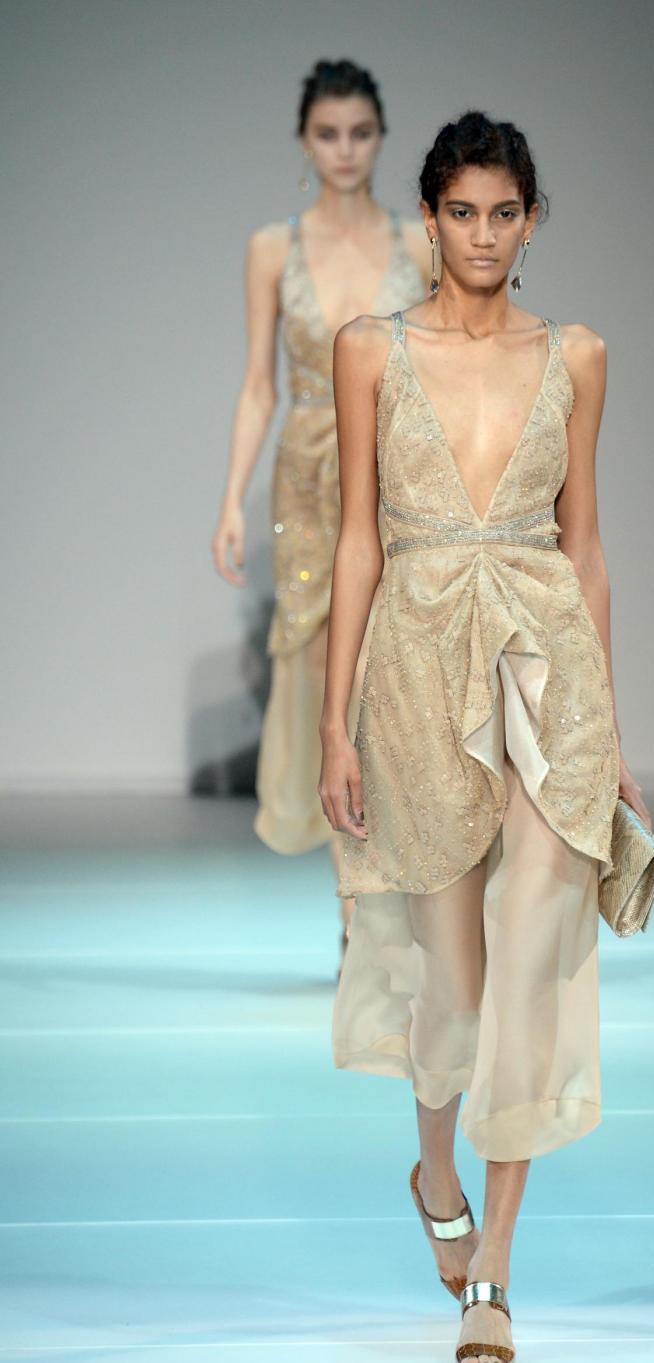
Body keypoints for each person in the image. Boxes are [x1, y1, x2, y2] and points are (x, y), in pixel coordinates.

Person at [319, 111, 651, 1363]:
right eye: (460, 211)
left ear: (531, 219)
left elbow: (587, 546)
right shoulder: (370, 349)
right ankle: (434, 1173)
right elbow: (357, 539)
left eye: (502, 212)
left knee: (529, 957)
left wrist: (611, 725)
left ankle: (496, 1270)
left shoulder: (576, 353)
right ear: (428, 218)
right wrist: (335, 720)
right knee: (451, 980)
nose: (481, 234)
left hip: (543, 660)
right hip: (414, 669)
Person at [211, 59, 429, 971]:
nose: (345, 150)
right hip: (306, 482)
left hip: (397, 477)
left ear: (381, 138)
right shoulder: (273, 247)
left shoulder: (421, 241)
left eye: (361, 133)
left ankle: (400, 898)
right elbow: (258, 383)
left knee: (398, 682)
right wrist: (232, 496)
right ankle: (355, 909)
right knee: (322, 684)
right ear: (305, 141)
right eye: (328, 133)